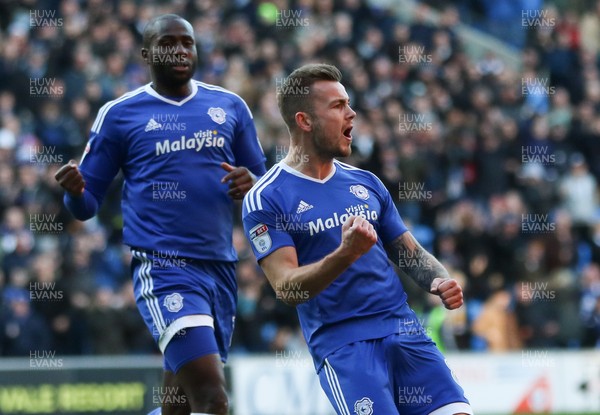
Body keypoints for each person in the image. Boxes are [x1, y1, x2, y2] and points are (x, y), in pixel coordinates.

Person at [55, 14, 266, 415]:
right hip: (165, 268)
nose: (180, 51)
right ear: (145, 54)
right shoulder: (119, 115)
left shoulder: (229, 106)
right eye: (168, 43)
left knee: (179, 406)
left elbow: (264, 181)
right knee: (213, 399)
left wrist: (253, 182)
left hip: (220, 268)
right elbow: (85, 206)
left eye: (187, 42)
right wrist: (76, 193)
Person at [242, 63, 473, 415]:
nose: (352, 113)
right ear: (304, 121)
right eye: (337, 106)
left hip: (404, 330)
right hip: (345, 346)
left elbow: (409, 252)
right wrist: (345, 254)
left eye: (348, 103)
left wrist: (438, 279)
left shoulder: (366, 183)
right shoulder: (266, 198)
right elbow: (286, 288)